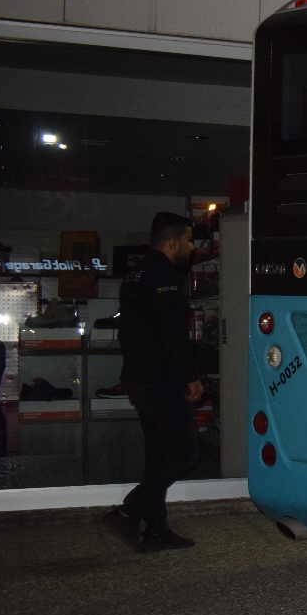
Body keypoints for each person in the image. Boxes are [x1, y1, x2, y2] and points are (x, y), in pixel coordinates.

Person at [104, 212, 203, 551]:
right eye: (188, 241)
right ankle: (129, 511)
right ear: (172, 242)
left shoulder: (134, 274)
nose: (191, 248)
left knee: (159, 455)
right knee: (187, 451)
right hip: (160, 380)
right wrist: (191, 376)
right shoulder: (165, 277)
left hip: (137, 377)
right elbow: (172, 335)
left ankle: (156, 531)